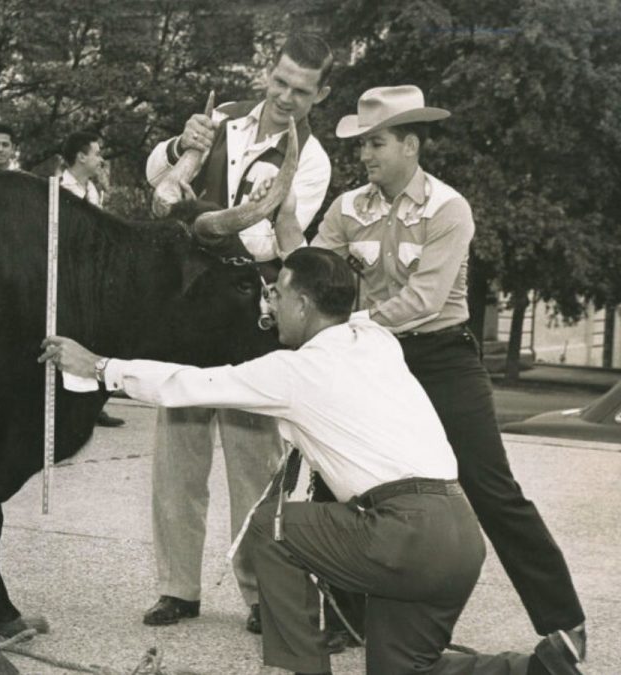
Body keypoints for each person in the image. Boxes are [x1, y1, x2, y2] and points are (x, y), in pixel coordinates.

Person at [39, 247, 585, 675]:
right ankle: (537, 668)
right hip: (460, 538)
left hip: (405, 536)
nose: (267, 306)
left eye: (276, 294)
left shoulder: (294, 372)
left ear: (301, 304)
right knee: (404, 671)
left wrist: (100, 365)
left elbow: (191, 384)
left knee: (270, 533)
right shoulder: (374, 339)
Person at [311, 85, 587, 669]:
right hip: (369, 358)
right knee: (343, 482)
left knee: (491, 488)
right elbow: (316, 276)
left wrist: (348, 323)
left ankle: (564, 623)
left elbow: (424, 299)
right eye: (360, 144)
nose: (364, 155)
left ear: (410, 145)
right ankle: (340, 617)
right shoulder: (345, 208)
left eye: (376, 143)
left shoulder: (448, 208)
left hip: (439, 356)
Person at [139, 33, 334, 637]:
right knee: (178, 458)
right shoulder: (220, 118)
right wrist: (180, 143)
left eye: (300, 91)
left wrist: (189, 212)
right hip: (190, 311)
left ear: (319, 95)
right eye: (279, 81)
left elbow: (262, 239)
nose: (284, 96)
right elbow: (156, 173)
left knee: (254, 467)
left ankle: (257, 593)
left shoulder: (314, 160)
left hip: (253, 316)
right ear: (268, 73)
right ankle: (179, 589)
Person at [59, 129, 126, 428]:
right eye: (96, 153)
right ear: (81, 156)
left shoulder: (93, 191)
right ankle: (67, 404)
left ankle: (93, 404)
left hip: (92, 276)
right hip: (68, 276)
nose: (100, 159)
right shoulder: (60, 188)